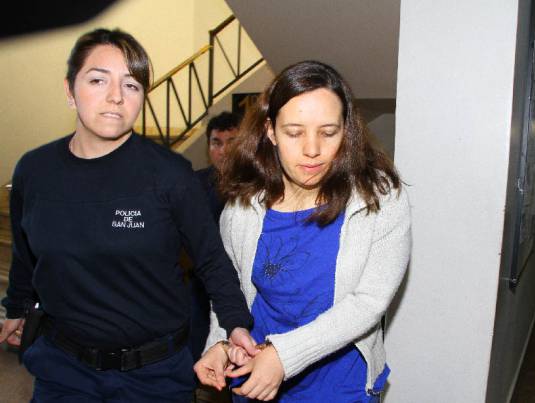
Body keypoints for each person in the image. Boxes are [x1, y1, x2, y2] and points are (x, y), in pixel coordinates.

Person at [0, 28, 255, 403]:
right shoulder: (34, 171)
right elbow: (26, 253)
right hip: (63, 370)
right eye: (98, 80)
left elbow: (211, 259)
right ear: (70, 90)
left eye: (131, 85)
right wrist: (17, 307)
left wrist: (235, 324)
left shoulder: (170, 175)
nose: (116, 96)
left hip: (155, 376)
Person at [194, 60, 412, 402]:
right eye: (294, 132)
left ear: (347, 130)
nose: (312, 149)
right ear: (271, 131)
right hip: (255, 377)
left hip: (340, 388)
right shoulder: (243, 206)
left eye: (328, 132)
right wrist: (220, 343)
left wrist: (283, 356)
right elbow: (228, 288)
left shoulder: (379, 199)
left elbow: (369, 301)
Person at [191, 111, 241, 403]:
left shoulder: (258, 185)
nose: (223, 150)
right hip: (200, 290)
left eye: (232, 142)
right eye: (216, 143)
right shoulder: (193, 185)